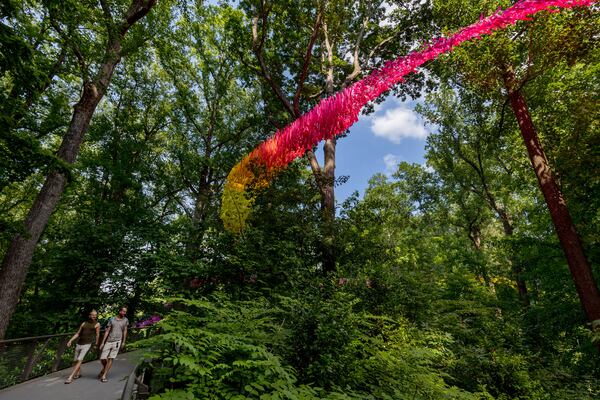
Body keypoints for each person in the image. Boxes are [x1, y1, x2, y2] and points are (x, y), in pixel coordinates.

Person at [65, 309, 100, 384]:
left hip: (87, 344)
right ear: (89, 315)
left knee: (80, 359)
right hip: (79, 343)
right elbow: (78, 333)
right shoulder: (84, 323)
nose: (94, 316)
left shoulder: (97, 324)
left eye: (95, 315)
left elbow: (97, 335)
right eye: (93, 315)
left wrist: (96, 344)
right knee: (75, 361)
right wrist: (70, 340)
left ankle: (71, 377)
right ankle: (78, 373)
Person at [98, 306, 129, 383]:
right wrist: (102, 342)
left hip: (117, 341)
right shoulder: (112, 319)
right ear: (120, 311)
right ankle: (105, 368)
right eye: (123, 311)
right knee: (102, 358)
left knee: (111, 358)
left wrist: (123, 342)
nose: (124, 313)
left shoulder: (125, 320)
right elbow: (107, 331)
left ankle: (104, 375)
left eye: (125, 312)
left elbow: (125, 331)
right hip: (109, 340)